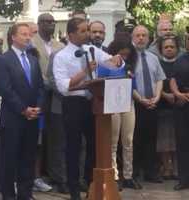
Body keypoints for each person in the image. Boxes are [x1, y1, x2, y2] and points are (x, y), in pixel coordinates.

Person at [53, 17, 121, 200]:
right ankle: (74, 189)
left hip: (93, 104)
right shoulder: (61, 56)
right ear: (71, 34)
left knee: (94, 146)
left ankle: (92, 185)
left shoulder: (91, 50)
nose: (87, 34)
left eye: (87, 31)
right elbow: (63, 86)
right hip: (72, 104)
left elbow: (111, 61)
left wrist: (117, 60)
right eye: (83, 31)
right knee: (73, 147)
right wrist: (84, 71)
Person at [0, 23, 44, 200]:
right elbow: (5, 90)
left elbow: (40, 86)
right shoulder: (3, 60)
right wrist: (23, 109)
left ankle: (25, 194)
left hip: (32, 118)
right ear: (13, 37)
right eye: (23, 34)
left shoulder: (32, 59)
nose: (28, 37)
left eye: (29, 34)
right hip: (13, 118)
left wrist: (38, 107)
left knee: (28, 159)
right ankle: (8, 195)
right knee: (10, 160)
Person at [32, 13, 64, 192]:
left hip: (57, 97)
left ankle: (53, 174)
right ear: (39, 24)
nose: (51, 25)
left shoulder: (60, 45)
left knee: (55, 137)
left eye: (53, 22)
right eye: (46, 22)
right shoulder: (31, 43)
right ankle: (35, 176)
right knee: (37, 137)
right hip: (38, 95)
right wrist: (49, 82)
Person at [108, 32, 142, 190]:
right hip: (113, 105)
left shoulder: (130, 65)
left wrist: (141, 100)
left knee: (128, 141)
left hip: (128, 104)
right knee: (113, 143)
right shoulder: (107, 63)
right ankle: (113, 176)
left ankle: (128, 176)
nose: (124, 56)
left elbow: (133, 87)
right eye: (121, 53)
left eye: (127, 53)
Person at [132, 25, 166, 183]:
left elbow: (159, 78)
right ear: (133, 37)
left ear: (148, 38)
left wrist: (157, 97)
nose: (141, 38)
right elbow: (128, 82)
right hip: (136, 104)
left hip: (153, 103)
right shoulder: (129, 58)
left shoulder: (153, 57)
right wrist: (141, 99)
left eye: (144, 35)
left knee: (151, 139)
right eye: (138, 35)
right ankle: (134, 172)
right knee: (135, 139)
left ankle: (150, 172)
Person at [156, 35, 180, 180]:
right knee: (164, 140)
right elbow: (156, 82)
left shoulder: (183, 62)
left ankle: (177, 168)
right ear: (161, 50)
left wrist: (178, 96)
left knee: (179, 139)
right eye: (166, 47)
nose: (169, 49)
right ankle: (166, 168)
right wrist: (165, 95)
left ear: (177, 49)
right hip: (163, 107)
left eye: (172, 47)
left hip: (181, 106)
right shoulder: (158, 64)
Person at [170, 32, 189, 190]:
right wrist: (176, 93)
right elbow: (173, 79)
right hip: (182, 105)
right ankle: (184, 180)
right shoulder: (180, 59)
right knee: (182, 143)